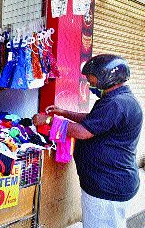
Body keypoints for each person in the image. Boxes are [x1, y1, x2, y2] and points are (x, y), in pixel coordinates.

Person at [32, 54, 143, 228]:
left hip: (107, 187)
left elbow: (84, 132)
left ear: (107, 77)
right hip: (110, 183)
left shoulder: (116, 103)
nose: (89, 84)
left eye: (91, 79)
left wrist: (48, 121)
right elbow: (95, 119)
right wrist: (63, 113)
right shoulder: (119, 100)